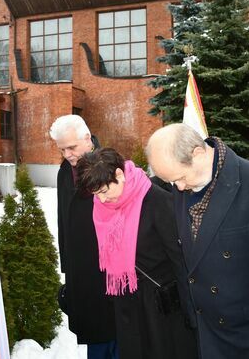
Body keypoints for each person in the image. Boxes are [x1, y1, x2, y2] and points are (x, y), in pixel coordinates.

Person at [145, 123, 249, 358]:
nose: (179, 188)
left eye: (180, 178)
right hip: (201, 327)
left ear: (197, 153)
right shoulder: (181, 184)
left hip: (245, 334)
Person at [75, 148, 197, 359]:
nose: (101, 200)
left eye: (104, 191)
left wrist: (189, 309)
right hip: (125, 302)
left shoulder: (156, 200)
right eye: (96, 194)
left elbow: (180, 259)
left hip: (159, 306)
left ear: (119, 175)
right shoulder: (102, 205)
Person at [49, 115, 117, 359]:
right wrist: (67, 266)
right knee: (94, 335)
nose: (67, 154)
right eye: (62, 149)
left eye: (72, 147)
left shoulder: (110, 168)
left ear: (87, 139)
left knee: (114, 334)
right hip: (81, 270)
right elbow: (63, 220)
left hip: (109, 269)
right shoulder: (65, 171)